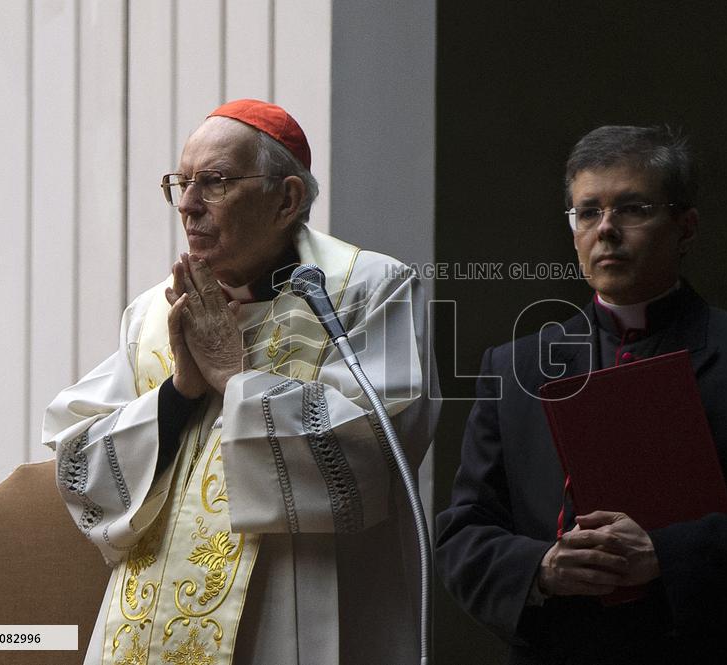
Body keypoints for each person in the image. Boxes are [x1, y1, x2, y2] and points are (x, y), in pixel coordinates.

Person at [43, 99, 438, 665]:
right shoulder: (154, 315)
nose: (187, 205)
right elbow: (80, 466)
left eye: (216, 183)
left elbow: (376, 455)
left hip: (292, 622)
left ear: (286, 199)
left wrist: (233, 378)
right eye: (181, 183)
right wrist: (179, 394)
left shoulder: (366, 289)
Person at [435, 125, 727, 664]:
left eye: (632, 208)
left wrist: (663, 555)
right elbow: (464, 531)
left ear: (686, 226)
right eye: (588, 212)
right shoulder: (515, 365)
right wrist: (544, 569)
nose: (606, 229)